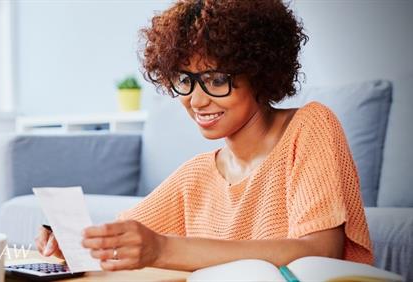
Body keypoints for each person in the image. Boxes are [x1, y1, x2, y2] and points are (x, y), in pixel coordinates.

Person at [35, 0, 373, 272]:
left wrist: (163, 248)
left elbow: (319, 250)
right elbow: (125, 238)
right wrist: (77, 243)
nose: (196, 100)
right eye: (185, 80)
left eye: (215, 80)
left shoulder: (310, 127)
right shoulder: (195, 175)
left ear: (260, 72)